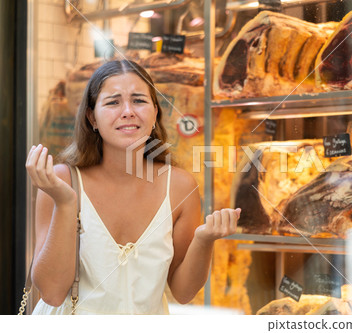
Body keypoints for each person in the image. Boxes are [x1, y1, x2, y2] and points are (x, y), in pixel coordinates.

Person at [26, 60, 241, 315]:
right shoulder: (63, 181)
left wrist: (204, 240)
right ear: (92, 117)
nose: (128, 111)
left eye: (139, 100)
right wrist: (65, 203)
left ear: (155, 114)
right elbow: (51, 292)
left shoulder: (180, 187)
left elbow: (183, 292)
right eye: (113, 102)